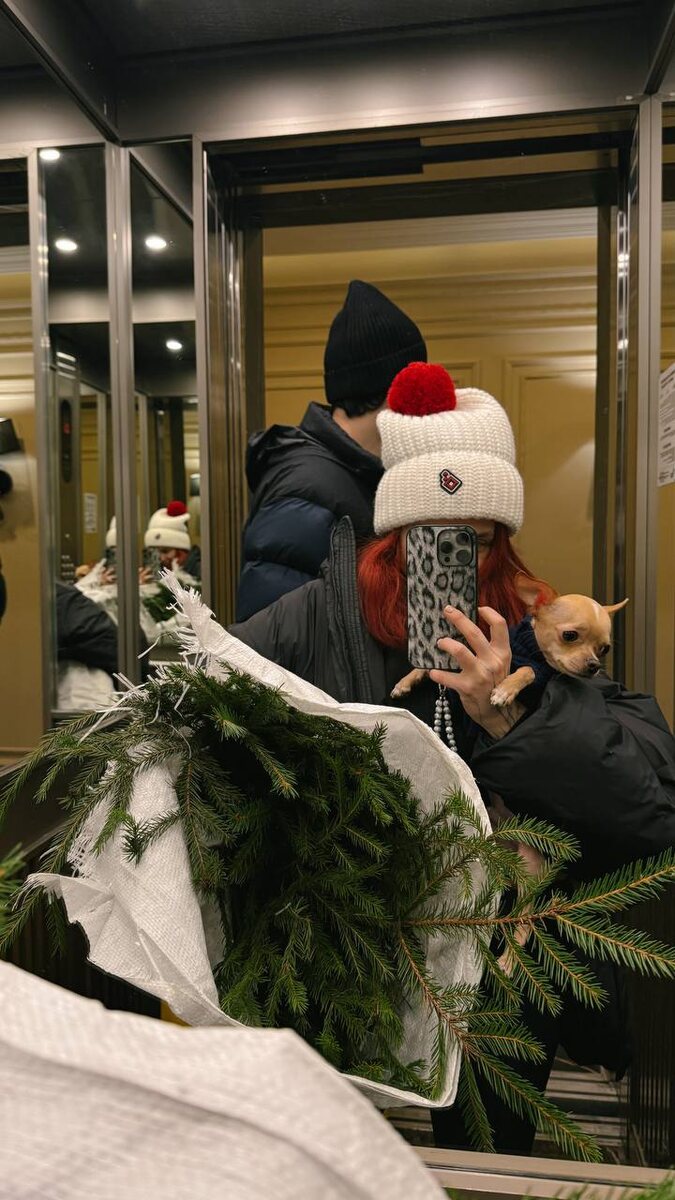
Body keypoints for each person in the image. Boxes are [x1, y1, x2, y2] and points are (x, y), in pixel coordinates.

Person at [230, 361, 675, 1153]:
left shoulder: (538, 635)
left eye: (477, 539)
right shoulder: (314, 617)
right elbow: (203, 711)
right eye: (429, 536)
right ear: (392, 531)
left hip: (498, 961)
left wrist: (512, 719)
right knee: (329, 1151)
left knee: (485, 1151)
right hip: (346, 953)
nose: (449, 559)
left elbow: (646, 807)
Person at [236, 279, 427, 621]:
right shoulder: (307, 488)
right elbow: (269, 634)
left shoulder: (351, 473)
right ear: (394, 391)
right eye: (417, 386)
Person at [143, 501, 201, 581]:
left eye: (165, 551)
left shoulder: (200, 570)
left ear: (181, 550)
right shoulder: (162, 570)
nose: (162, 558)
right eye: (158, 552)